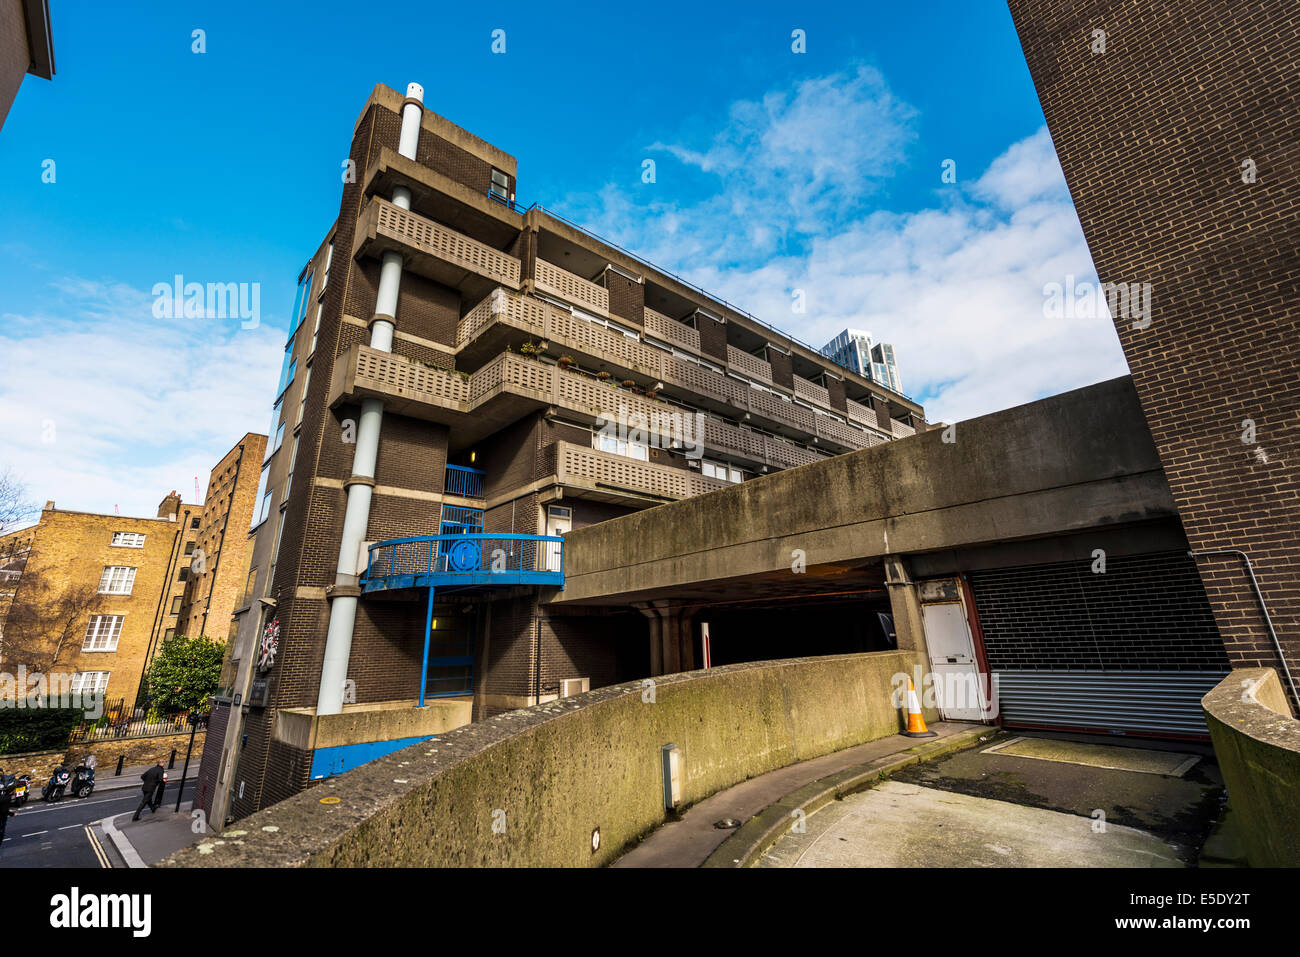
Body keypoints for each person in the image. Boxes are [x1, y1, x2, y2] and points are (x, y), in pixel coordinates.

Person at [0, 775, 16, 845]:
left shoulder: (3, 796)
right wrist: (12, 814)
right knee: (1, 832)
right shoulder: (7, 798)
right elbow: (4, 811)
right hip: (1, 818)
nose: (15, 790)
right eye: (14, 789)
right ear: (11, 791)